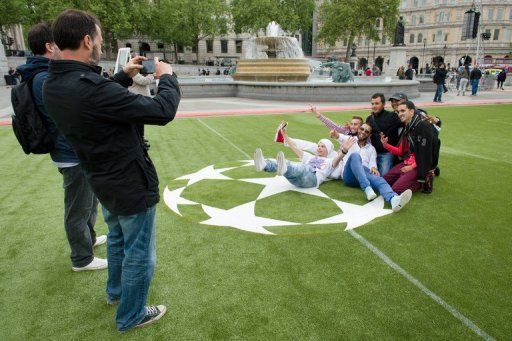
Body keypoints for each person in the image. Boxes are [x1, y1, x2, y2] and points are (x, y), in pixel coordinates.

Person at [42, 9, 181, 332]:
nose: (100, 44)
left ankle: (116, 293)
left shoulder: (54, 82)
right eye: (99, 39)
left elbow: (96, 99)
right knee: (139, 254)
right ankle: (131, 315)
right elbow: (162, 110)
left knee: (118, 237)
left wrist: (124, 76)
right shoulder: (89, 87)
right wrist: (167, 77)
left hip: (100, 176)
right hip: (128, 181)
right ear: (87, 40)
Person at [15, 22, 106, 272]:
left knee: (88, 202)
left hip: (71, 151)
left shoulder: (42, 74)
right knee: (77, 206)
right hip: (70, 152)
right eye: (58, 43)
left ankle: (88, 239)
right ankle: (81, 258)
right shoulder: (45, 77)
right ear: (49, 46)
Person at [337, 123, 412, 211]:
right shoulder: (349, 139)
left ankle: (393, 199)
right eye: (362, 129)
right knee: (355, 155)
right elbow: (338, 135)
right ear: (358, 130)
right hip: (349, 176)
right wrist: (334, 134)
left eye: (366, 131)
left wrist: (374, 168)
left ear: (369, 135)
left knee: (379, 179)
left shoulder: (372, 149)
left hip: (363, 174)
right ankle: (367, 188)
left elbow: (373, 164)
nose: (363, 132)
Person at [254, 131, 350, 188]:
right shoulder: (311, 157)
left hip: (312, 179)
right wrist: (285, 136)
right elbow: (296, 149)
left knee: (300, 168)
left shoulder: (329, 162)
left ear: (328, 150)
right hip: (297, 180)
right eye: (319, 146)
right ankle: (265, 165)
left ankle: (285, 168)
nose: (319, 148)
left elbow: (338, 158)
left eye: (323, 147)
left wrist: (344, 150)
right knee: (292, 165)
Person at [383, 101, 440, 194]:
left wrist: (411, 167)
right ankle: (406, 178)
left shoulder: (422, 126)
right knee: (384, 181)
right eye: (398, 112)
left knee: (396, 189)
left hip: (419, 165)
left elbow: (426, 154)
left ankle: (424, 180)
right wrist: (385, 145)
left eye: (402, 111)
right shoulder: (408, 127)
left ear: (412, 112)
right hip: (407, 162)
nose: (400, 114)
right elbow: (401, 151)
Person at [365, 93, 402, 176]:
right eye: (372, 104)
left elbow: (406, 122)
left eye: (377, 103)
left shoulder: (392, 116)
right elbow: (363, 133)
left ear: (384, 104)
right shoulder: (369, 118)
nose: (374, 106)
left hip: (386, 153)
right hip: (371, 153)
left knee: (384, 176)